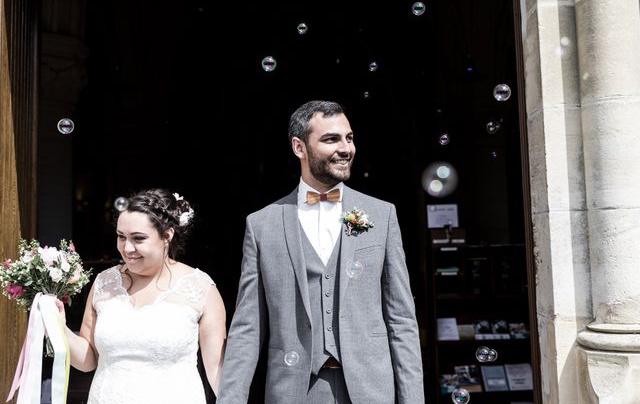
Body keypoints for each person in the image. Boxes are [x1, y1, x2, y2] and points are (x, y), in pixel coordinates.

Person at [217, 100, 424, 403]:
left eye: (349, 138)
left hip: (370, 390)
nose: (346, 148)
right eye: (331, 139)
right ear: (299, 147)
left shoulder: (382, 215)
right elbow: (248, 327)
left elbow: (401, 319)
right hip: (294, 391)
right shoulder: (261, 225)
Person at [56, 188, 226, 403]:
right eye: (121, 237)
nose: (127, 248)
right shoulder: (104, 282)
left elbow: (217, 369)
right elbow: (88, 360)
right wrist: (58, 327)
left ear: (167, 236)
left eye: (138, 238)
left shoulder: (201, 287)